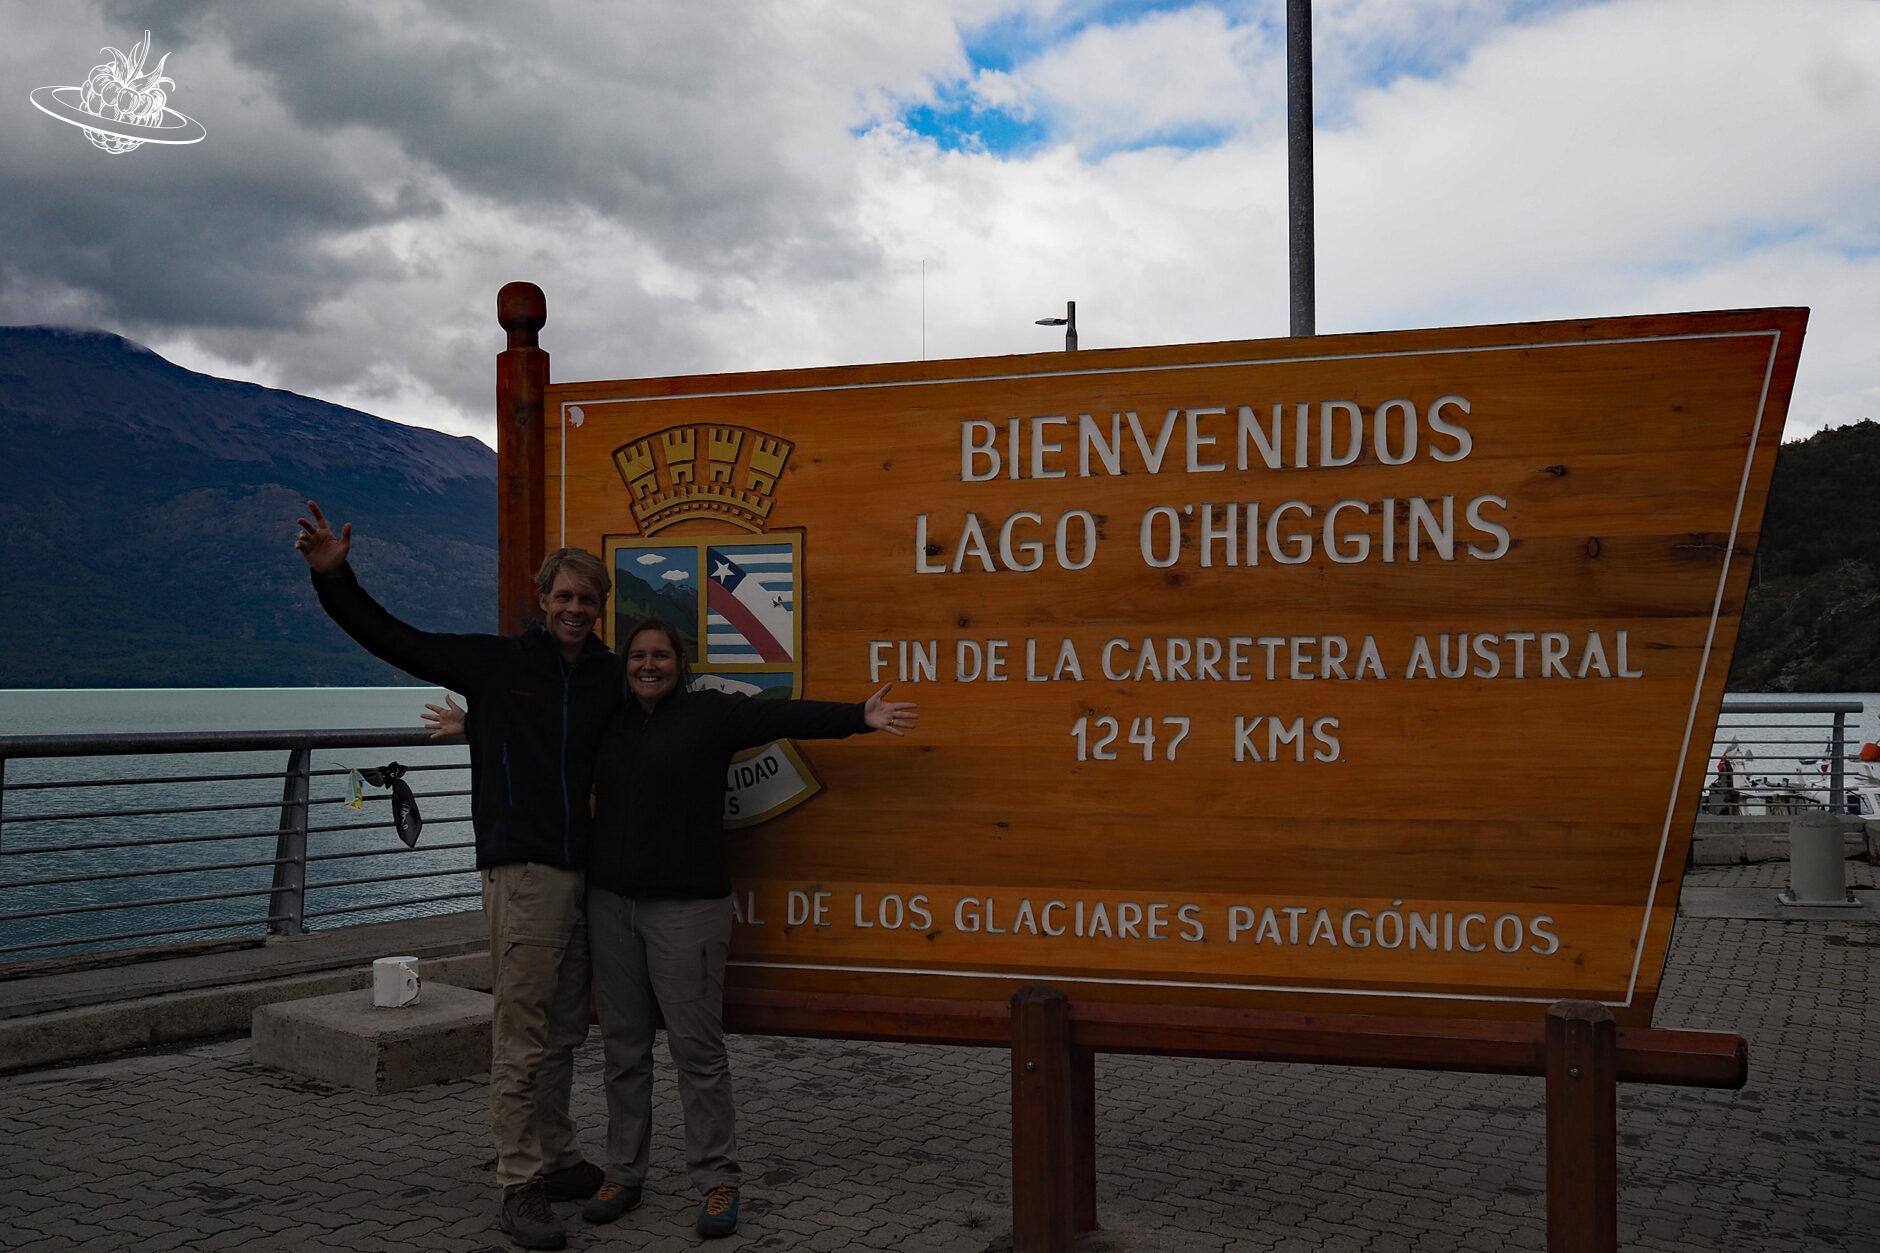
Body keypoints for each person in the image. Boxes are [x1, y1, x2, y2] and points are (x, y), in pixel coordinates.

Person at [426, 616, 917, 1240]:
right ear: (624, 664)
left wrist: (858, 716)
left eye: (660, 656)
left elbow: (781, 717)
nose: (648, 666)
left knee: (697, 1052)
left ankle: (716, 1180)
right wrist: (474, 726)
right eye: (637, 656)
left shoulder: (711, 714)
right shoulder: (609, 717)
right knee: (623, 1053)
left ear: (679, 664)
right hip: (611, 905)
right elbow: (542, 740)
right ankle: (624, 1175)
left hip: (689, 908)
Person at [295, 500, 619, 1252]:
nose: (574, 609)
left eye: (587, 599)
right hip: (525, 871)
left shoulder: (605, 676)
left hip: (587, 872)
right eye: (563, 596)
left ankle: (560, 1153)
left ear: (601, 608)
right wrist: (335, 580)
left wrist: (475, 729)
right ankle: (518, 1181)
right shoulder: (498, 663)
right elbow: (395, 639)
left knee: (566, 1028)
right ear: (544, 603)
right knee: (522, 1030)